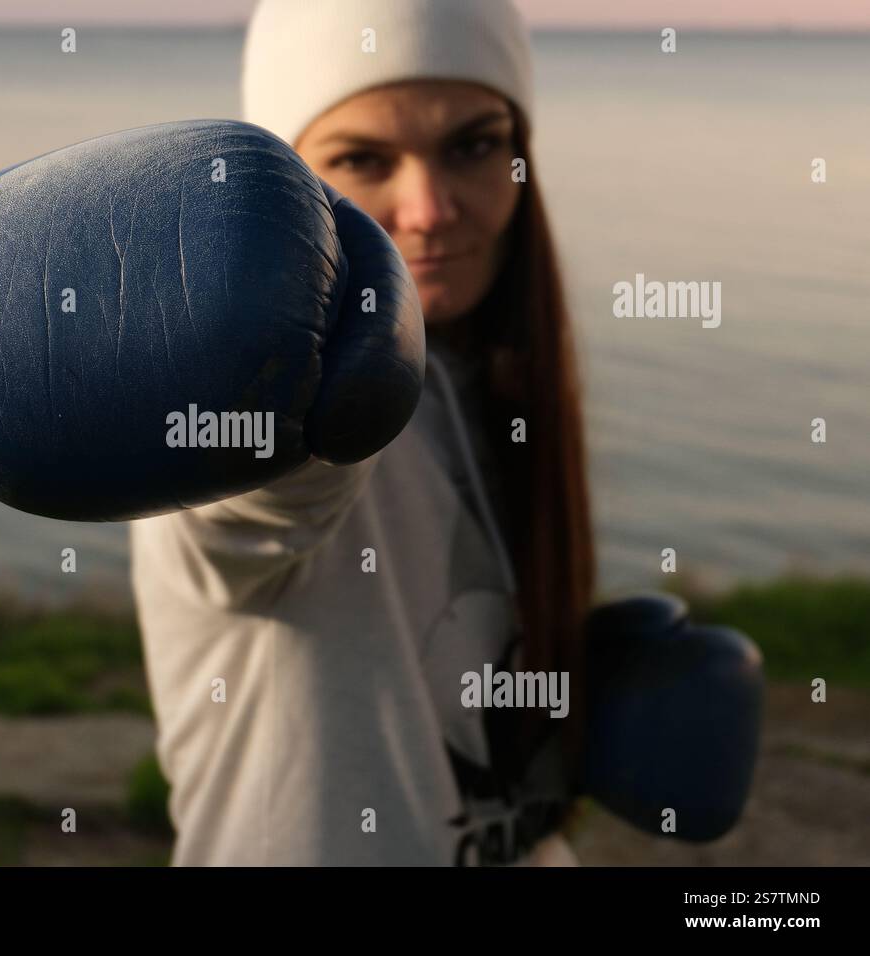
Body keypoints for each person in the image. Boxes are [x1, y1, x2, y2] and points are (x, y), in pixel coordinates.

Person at [128, 0, 593, 865]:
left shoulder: (492, 385)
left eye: (474, 145)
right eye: (362, 159)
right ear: (286, 190)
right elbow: (254, 503)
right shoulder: (258, 420)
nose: (428, 209)